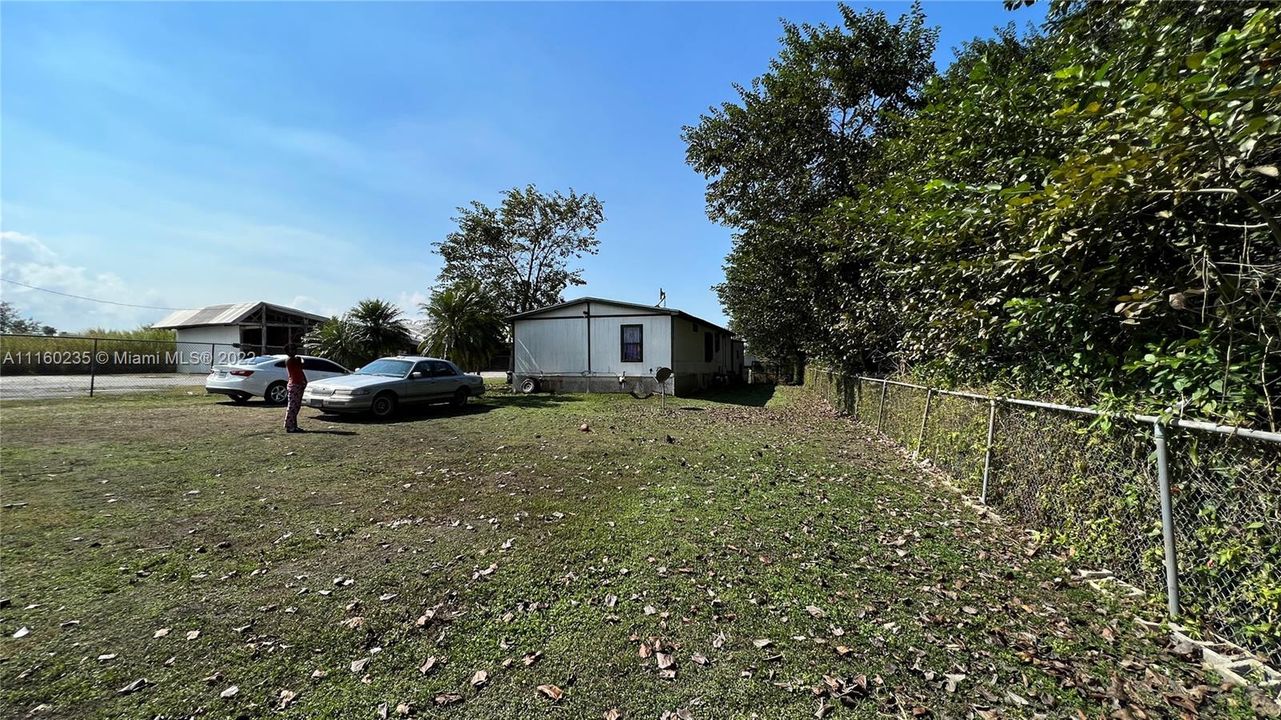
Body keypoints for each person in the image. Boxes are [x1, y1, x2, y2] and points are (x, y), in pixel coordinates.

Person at [283, 344, 307, 433]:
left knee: (296, 407)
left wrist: (304, 380)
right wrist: (301, 360)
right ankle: (289, 426)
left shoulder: (296, 360)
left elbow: (300, 369)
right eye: (291, 350)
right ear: (287, 352)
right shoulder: (290, 360)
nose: (294, 351)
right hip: (294, 385)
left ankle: (294, 426)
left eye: (295, 349)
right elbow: (302, 363)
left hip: (299, 384)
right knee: (292, 407)